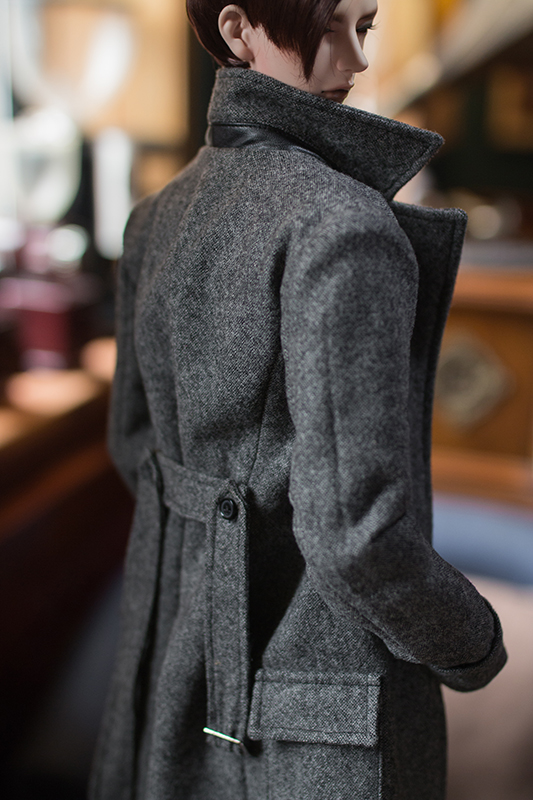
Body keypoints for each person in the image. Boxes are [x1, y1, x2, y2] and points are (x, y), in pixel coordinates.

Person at [90, 1, 507, 798]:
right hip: (313, 688)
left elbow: (133, 446)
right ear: (237, 30)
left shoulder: (153, 217)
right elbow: (357, 533)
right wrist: (470, 639)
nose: (352, 59)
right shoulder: (341, 227)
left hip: (170, 646)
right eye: (324, 27)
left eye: (363, 26)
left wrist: (212, 564)